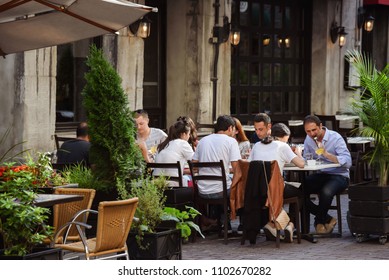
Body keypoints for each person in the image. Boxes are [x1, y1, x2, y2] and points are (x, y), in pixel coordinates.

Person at [248, 123, 305, 242]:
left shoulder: (257, 145)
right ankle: (290, 225)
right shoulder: (282, 146)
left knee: (283, 189)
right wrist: (298, 152)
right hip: (275, 189)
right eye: (286, 140)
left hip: (257, 190)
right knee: (300, 193)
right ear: (283, 137)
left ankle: (273, 223)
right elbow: (301, 164)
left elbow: (249, 165)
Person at [303, 115, 352, 234]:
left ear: (320, 126)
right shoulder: (309, 139)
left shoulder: (335, 138)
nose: (311, 133)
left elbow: (348, 162)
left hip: (340, 175)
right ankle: (327, 218)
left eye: (314, 130)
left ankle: (319, 221)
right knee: (299, 189)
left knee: (326, 191)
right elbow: (306, 158)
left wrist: (326, 154)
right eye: (308, 131)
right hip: (322, 174)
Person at [192, 115, 241, 230]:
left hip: (202, 191)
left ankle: (223, 222)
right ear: (230, 128)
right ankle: (241, 225)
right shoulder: (231, 142)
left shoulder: (203, 140)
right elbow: (237, 170)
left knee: (225, 183)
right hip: (221, 191)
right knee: (242, 188)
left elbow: (194, 166)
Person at [153, 119, 194, 186]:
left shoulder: (162, 145)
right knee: (198, 184)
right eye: (189, 134)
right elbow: (195, 163)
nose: (189, 136)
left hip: (158, 184)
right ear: (183, 134)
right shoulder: (183, 143)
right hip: (175, 184)